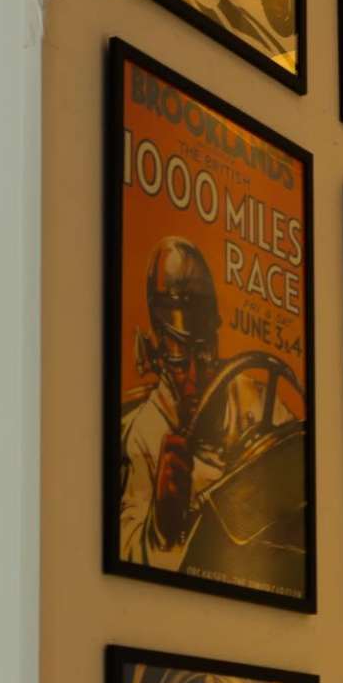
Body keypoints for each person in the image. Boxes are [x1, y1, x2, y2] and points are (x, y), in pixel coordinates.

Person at [115, 239, 221, 572]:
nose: (193, 376)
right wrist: (161, 525)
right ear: (157, 351)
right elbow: (127, 548)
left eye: (203, 355)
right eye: (178, 360)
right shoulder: (143, 437)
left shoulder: (248, 393)